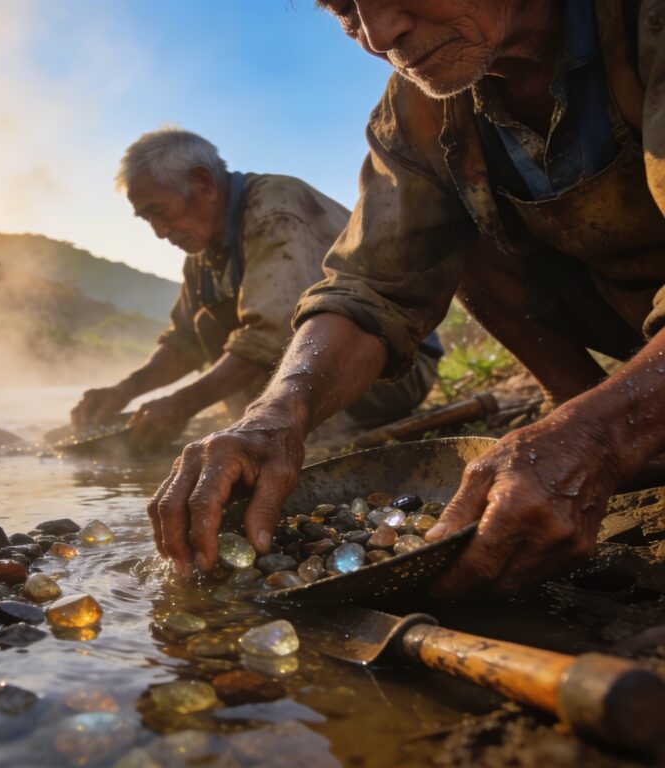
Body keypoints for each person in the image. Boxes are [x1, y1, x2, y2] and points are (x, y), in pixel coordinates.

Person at [148, 0, 665, 596]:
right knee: (448, 231)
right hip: (614, 307)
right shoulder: (420, 110)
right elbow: (372, 286)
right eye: (345, 9)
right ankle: (580, 402)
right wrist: (276, 417)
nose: (376, 34)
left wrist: (600, 436)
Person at [70, 128, 443, 447]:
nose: (158, 230)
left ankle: (306, 434)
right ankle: (276, 423)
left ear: (203, 183)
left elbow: (271, 332)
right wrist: (123, 391)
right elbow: (183, 341)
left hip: (396, 370)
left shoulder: (275, 210)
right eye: (146, 217)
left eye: (160, 211)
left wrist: (182, 405)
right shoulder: (202, 253)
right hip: (316, 376)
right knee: (205, 323)